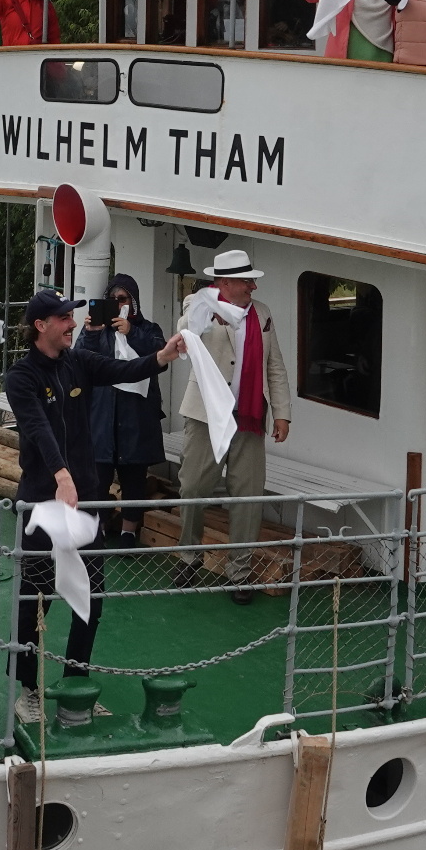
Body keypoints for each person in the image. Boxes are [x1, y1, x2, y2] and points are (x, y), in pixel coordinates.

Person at [4, 289, 188, 723]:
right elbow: (37, 429)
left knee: (91, 599)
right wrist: (61, 476)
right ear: (41, 326)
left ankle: (75, 684)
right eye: (64, 318)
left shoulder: (79, 362)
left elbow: (125, 369)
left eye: (72, 316)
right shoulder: (21, 377)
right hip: (44, 506)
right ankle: (28, 689)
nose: (73, 323)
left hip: (85, 501)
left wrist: (162, 357)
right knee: (36, 600)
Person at [174, 247, 293, 604]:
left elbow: (274, 365)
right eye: (246, 282)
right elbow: (184, 332)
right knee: (193, 488)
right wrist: (204, 311)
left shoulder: (262, 313)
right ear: (225, 283)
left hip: (250, 416)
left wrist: (282, 412)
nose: (253, 287)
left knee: (247, 497)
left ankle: (239, 572)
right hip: (206, 416)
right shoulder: (199, 304)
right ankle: (189, 557)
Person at [74, 273, 168, 545]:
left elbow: (160, 355)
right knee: (97, 477)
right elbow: (79, 358)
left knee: (134, 477)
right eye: (112, 299)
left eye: (123, 298)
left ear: (133, 301)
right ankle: (99, 529)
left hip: (136, 415)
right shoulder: (99, 330)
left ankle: (128, 531)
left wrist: (132, 332)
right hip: (101, 414)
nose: (118, 303)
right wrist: (90, 333)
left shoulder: (148, 328)